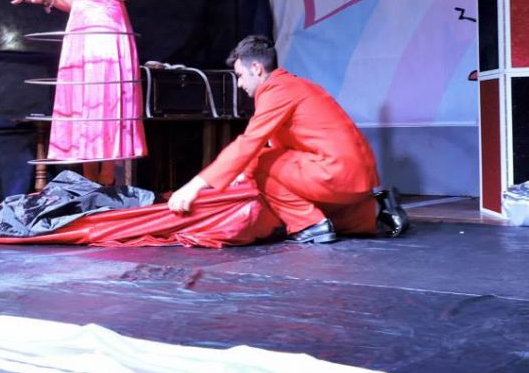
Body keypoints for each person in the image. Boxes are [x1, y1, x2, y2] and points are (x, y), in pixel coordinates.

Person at [167, 35, 407, 243]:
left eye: (240, 76)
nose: (239, 84)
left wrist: (194, 186)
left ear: (257, 69)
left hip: (335, 172)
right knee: (286, 189)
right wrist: (241, 174)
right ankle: (376, 210)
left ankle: (309, 226)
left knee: (261, 164)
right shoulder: (293, 85)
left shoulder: (277, 90)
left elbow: (250, 143)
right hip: (354, 176)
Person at [12, 0, 146, 185]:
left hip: (107, 30)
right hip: (79, 34)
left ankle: (108, 180)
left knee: (105, 100)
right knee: (82, 103)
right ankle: (88, 182)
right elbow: (77, 2)